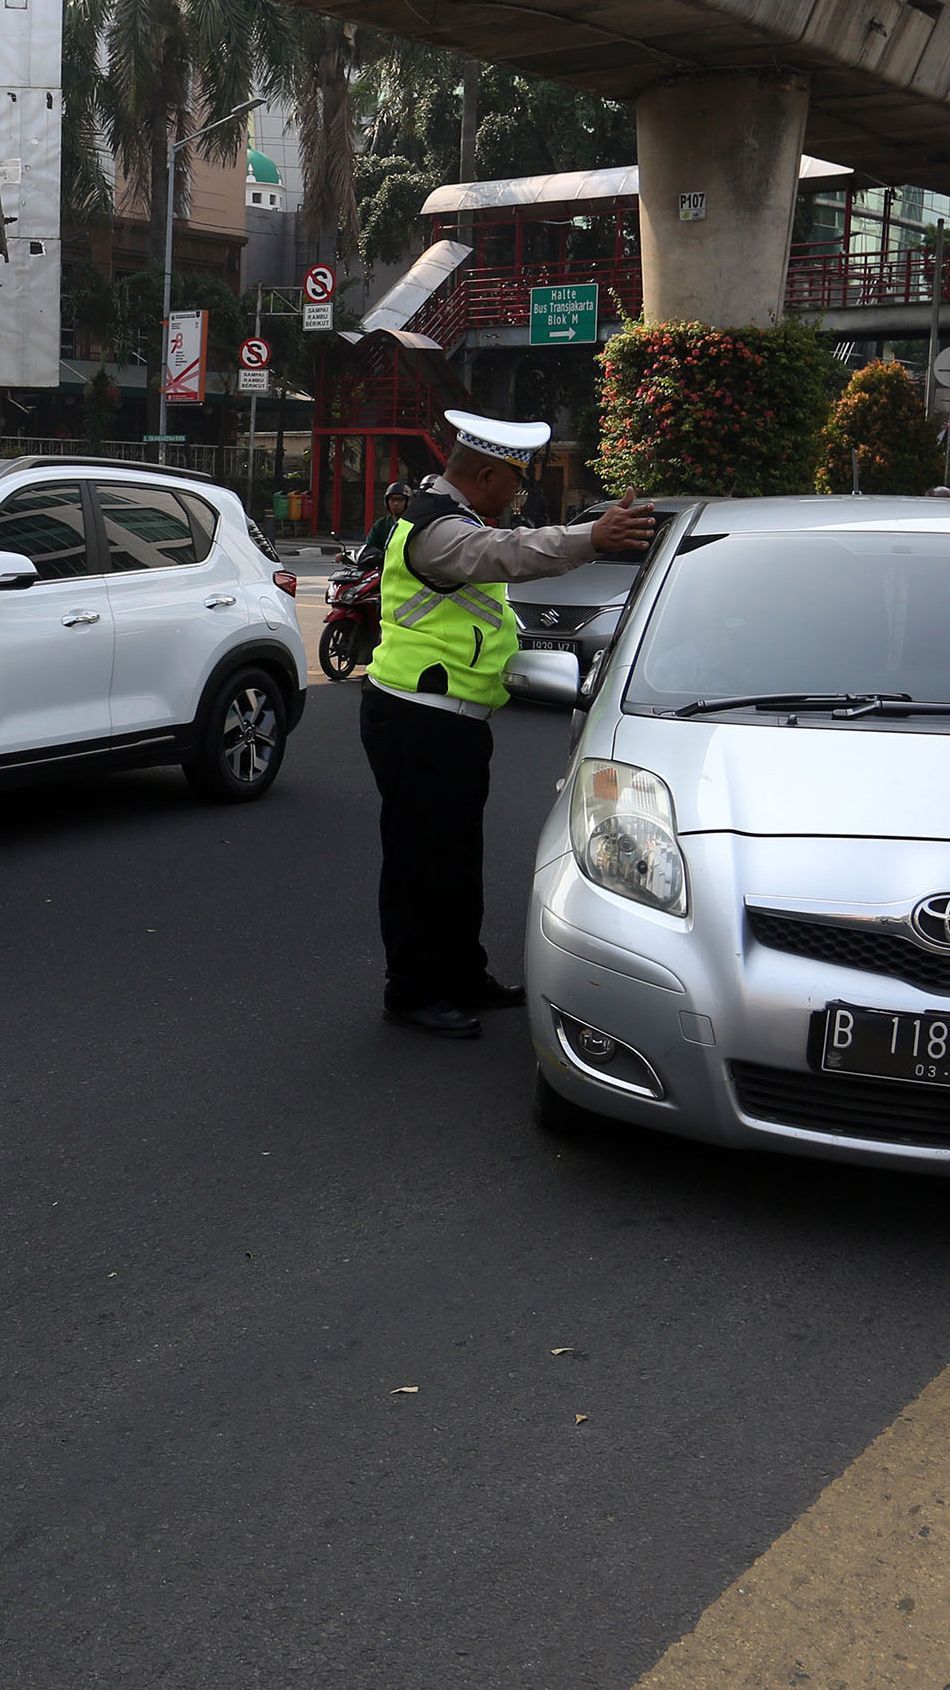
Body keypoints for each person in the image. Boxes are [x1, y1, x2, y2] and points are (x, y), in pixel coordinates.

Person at [359, 408, 655, 1039]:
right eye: (514, 483)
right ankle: (411, 990)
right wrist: (590, 539)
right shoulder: (437, 530)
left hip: (451, 720)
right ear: (487, 475)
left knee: (458, 857)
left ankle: (463, 973)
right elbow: (511, 556)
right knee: (419, 861)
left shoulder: (454, 516)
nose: (518, 494)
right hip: (419, 718)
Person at [365, 481, 412, 554]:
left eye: (400, 500)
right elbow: (368, 548)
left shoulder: (413, 524)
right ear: (387, 502)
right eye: (392, 500)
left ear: (407, 502)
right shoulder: (381, 525)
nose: (395, 503)